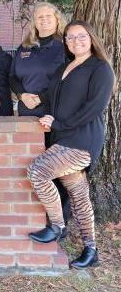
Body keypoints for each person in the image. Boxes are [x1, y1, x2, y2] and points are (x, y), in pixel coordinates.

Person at [27, 20, 114, 270]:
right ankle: (91, 248)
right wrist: (35, 103)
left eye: (81, 36)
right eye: (70, 37)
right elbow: (52, 96)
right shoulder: (65, 67)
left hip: (83, 139)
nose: (76, 41)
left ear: (91, 37)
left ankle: (56, 225)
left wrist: (59, 124)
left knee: (37, 171)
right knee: (79, 196)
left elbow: (94, 108)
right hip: (62, 138)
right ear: (65, 42)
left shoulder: (100, 69)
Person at [10, 2, 66, 117]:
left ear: (57, 20)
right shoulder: (24, 47)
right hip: (26, 111)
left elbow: (68, 81)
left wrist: (40, 98)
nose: (44, 19)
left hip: (54, 113)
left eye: (48, 16)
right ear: (34, 22)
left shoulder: (65, 46)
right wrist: (22, 95)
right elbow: (12, 76)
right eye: (40, 17)